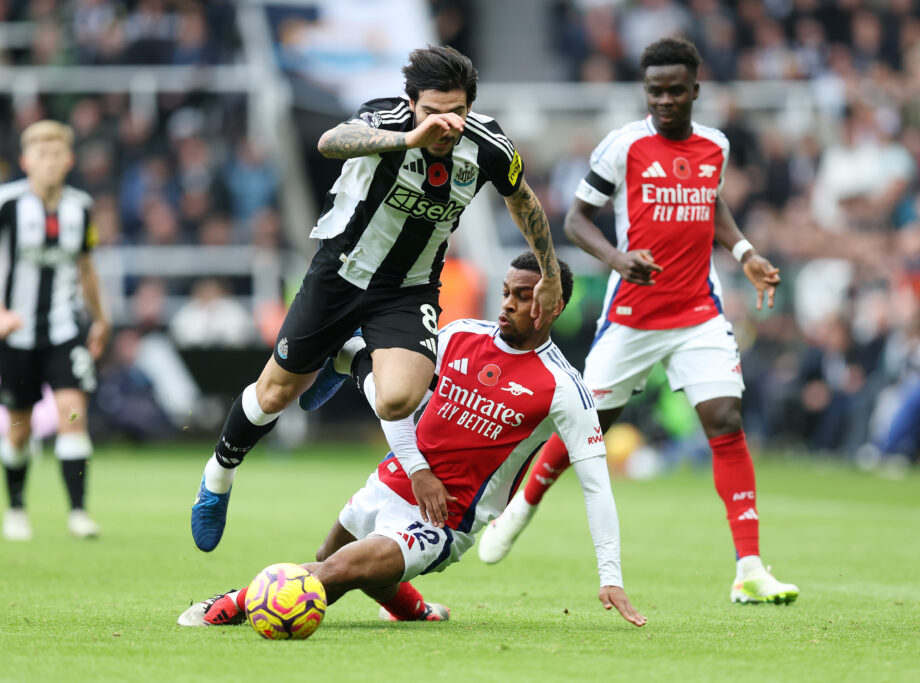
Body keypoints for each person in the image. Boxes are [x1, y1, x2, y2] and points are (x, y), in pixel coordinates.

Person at [191, 45, 563, 552]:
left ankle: (349, 358)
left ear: (470, 108)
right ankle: (218, 477)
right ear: (412, 104)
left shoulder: (490, 146)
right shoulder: (387, 119)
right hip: (340, 274)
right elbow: (330, 141)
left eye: (456, 112)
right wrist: (409, 137)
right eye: (432, 111)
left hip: (407, 289)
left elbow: (522, 198)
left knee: (399, 398)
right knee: (276, 393)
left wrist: (548, 270)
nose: (445, 123)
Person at [477, 38, 799, 606]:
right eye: (655, 91)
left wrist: (746, 252)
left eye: (676, 90)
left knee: (724, 418)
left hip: (698, 309)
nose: (665, 100)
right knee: (590, 422)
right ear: (645, 92)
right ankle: (519, 507)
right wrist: (619, 260)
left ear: (696, 90)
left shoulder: (714, 146)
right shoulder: (623, 146)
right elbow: (576, 219)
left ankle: (748, 567)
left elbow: (711, 203)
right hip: (632, 314)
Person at [178, 253, 645, 628]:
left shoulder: (564, 388)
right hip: (393, 478)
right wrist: (418, 470)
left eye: (522, 297)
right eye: (505, 292)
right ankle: (413, 609)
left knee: (338, 572)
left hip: (444, 518)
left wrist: (611, 577)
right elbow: (394, 404)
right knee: (330, 558)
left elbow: (596, 483)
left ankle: (238, 601)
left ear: (553, 306)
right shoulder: (459, 336)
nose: (506, 304)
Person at [0, 120, 110, 541]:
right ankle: (15, 508)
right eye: (40, 154)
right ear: (26, 161)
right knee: (19, 428)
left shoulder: (80, 208)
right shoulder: (5, 202)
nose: (49, 161)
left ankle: (79, 512)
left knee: (73, 414)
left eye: (56, 153)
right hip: (17, 334)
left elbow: (86, 268)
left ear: (69, 160)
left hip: (65, 331)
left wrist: (100, 318)